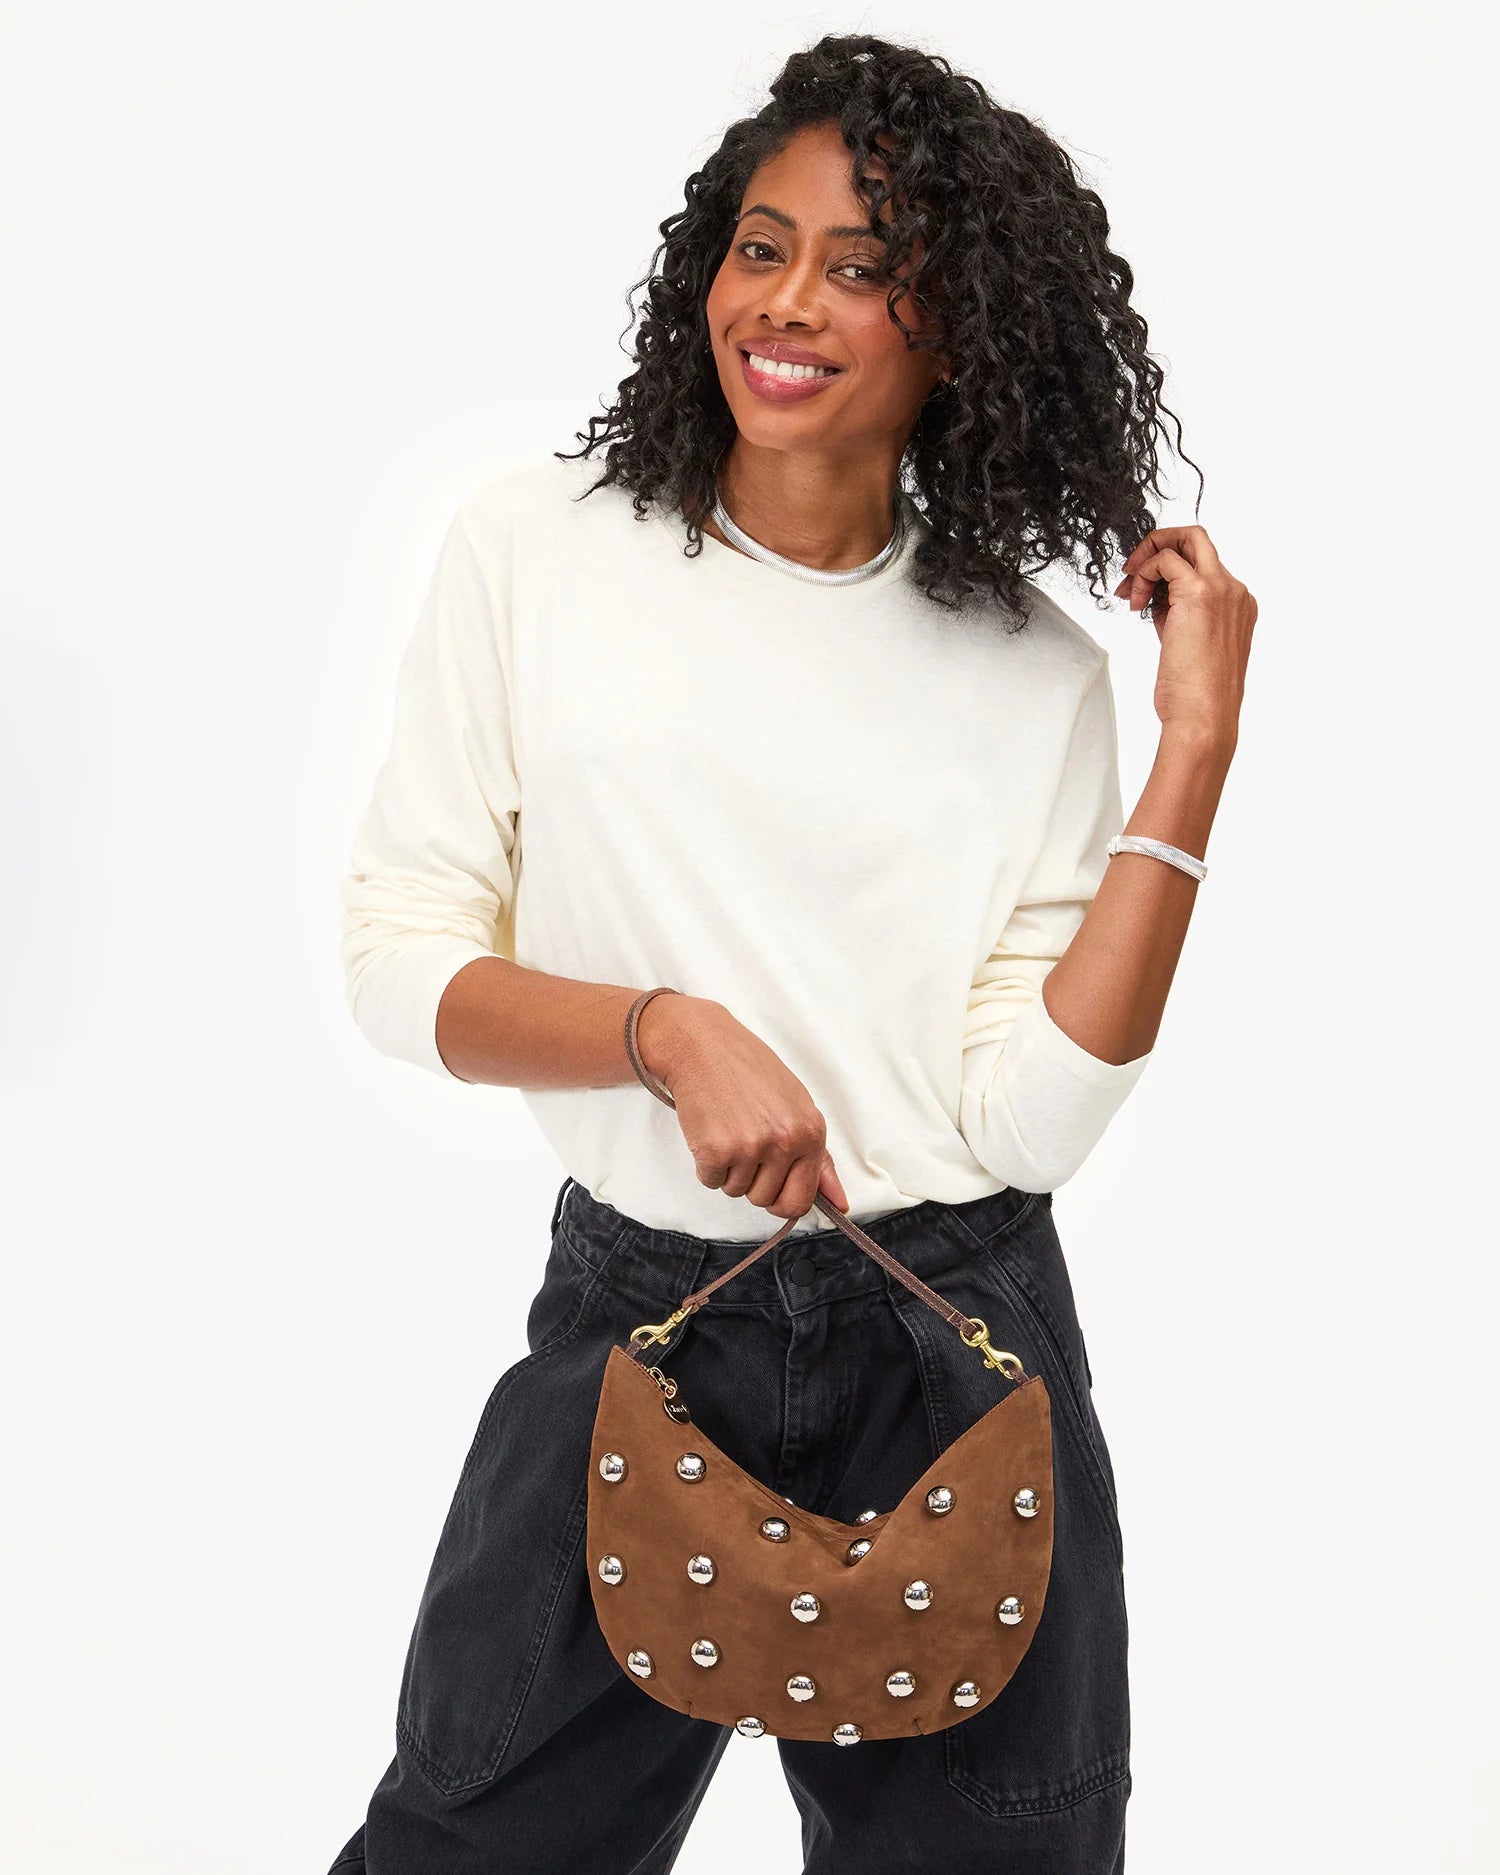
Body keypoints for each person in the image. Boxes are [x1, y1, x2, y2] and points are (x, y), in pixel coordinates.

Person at [326, 32, 1255, 1875]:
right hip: (642, 1328)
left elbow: (1035, 1118)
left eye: (862, 263)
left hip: (958, 1339)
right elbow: (399, 957)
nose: (790, 303)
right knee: (470, 1841)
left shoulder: (1031, 675)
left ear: (958, 327)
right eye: (762, 246)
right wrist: (664, 1033)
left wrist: (1194, 752)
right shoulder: (536, 556)